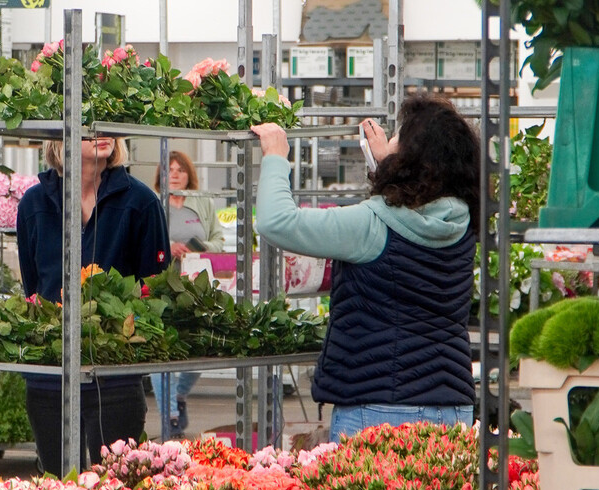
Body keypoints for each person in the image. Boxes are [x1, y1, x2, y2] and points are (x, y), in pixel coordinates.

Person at [251, 94, 480, 441]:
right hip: (452, 405)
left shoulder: (370, 225)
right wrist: (387, 167)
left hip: (378, 409)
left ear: (410, 159)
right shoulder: (460, 222)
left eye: (398, 137)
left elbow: (277, 222)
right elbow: (410, 210)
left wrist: (275, 158)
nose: (390, 140)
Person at [16, 136, 169, 475]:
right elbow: (33, 287)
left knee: (118, 486)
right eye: (86, 126)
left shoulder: (141, 202)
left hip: (115, 377)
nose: (102, 135)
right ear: (61, 136)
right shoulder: (34, 203)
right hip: (50, 376)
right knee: (55, 489)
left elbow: (155, 290)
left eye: (109, 127)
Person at [150, 150, 225, 439]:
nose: (175, 174)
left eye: (180, 170)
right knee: (161, 352)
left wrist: (199, 247)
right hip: (161, 287)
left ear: (188, 174)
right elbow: (144, 241)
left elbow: (219, 241)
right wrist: (167, 246)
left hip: (196, 287)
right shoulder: (153, 203)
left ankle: (179, 394)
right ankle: (169, 419)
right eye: (169, 169)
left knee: (200, 346)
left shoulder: (202, 201)